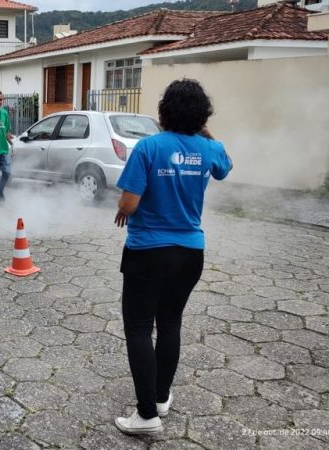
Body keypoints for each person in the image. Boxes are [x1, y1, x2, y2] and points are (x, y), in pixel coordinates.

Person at [113, 79, 232, 435]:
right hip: (190, 253)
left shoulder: (149, 147)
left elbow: (129, 203)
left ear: (164, 111)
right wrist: (204, 131)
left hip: (148, 251)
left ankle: (146, 415)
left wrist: (123, 209)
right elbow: (225, 168)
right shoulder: (209, 148)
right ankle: (161, 397)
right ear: (201, 115)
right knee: (169, 323)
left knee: (138, 327)